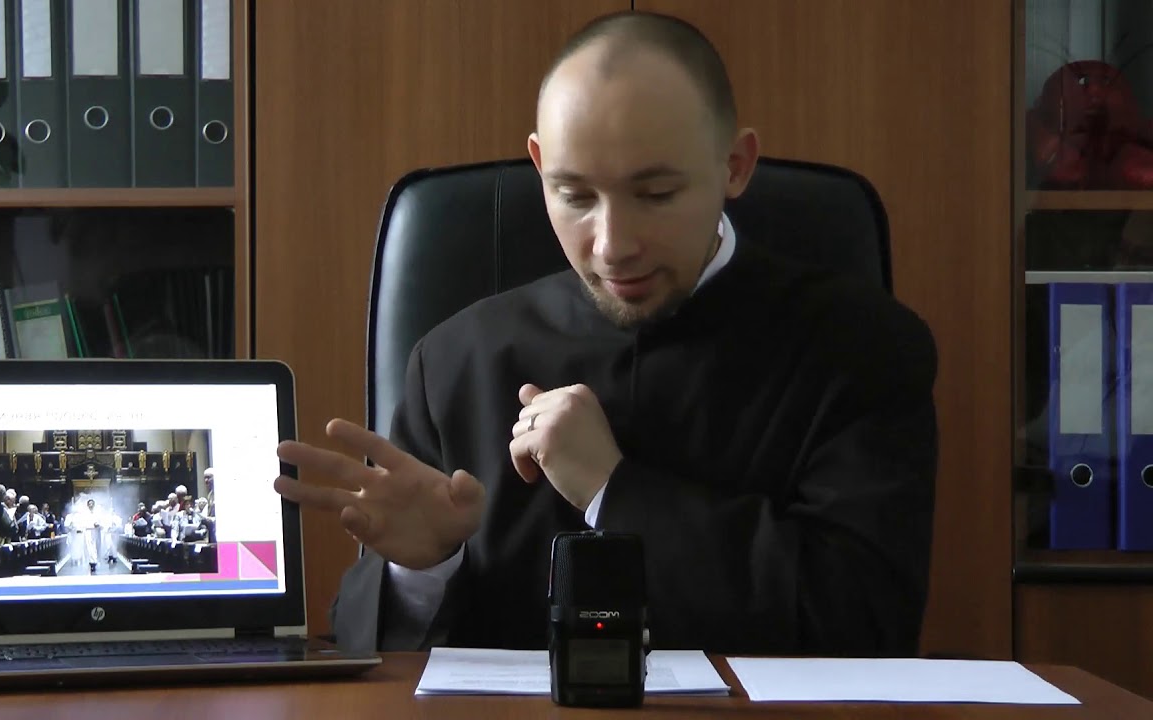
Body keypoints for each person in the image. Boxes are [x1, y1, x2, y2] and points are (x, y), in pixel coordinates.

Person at [272, 11, 938, 657]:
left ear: (735, 165)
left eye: (656, 195)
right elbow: (370, 657)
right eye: (575, 196)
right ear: (539, 167)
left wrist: (611, 490)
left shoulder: (863, 348)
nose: (613, 246)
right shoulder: (453, 362)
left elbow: (867, 625)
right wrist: (423, 570)